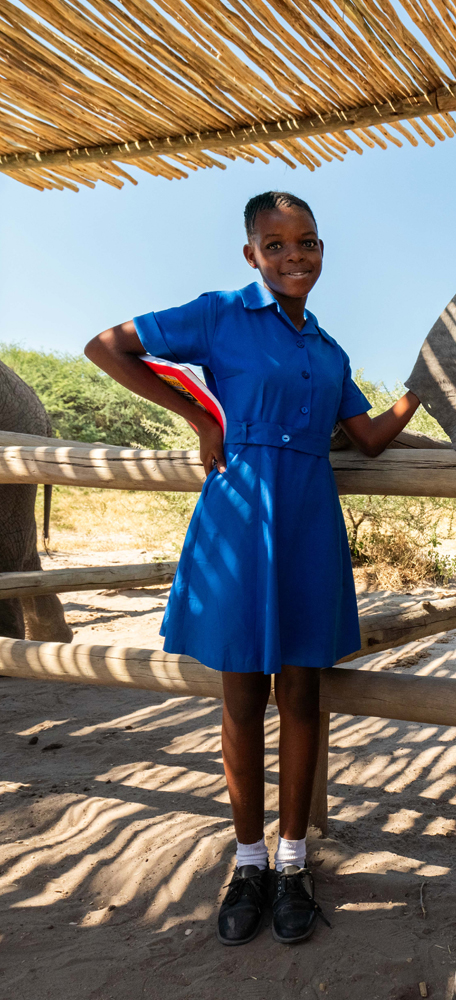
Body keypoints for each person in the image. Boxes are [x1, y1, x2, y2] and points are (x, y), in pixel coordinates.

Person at [85, 191, 421, 946]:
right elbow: (106, 346)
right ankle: (248, 862)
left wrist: (421, 386)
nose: (293, 256)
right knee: (240, 696)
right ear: (251, 254)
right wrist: (202, 418)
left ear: (321, 249)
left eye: (306, 243)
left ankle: (295, 861)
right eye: (275, 245)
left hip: (308, 525)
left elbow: (367, 438)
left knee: (302, 694)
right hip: (237, 522)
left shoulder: (329, 352)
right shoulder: (218, 315)